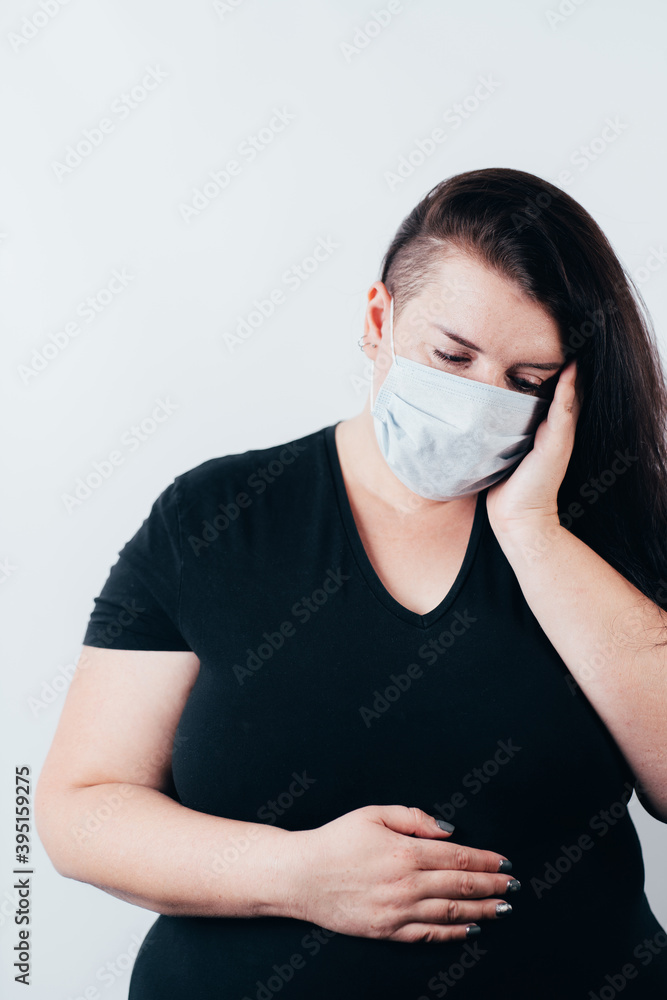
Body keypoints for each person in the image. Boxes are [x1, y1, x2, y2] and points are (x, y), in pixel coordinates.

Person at [35, 167, 667, 998]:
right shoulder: (218, 517)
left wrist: (532, 532)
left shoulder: (607, 522)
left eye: (524, 381)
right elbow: (80, 809)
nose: (480, 401)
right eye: (452, 355)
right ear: (379, 320)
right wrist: (296, 872)